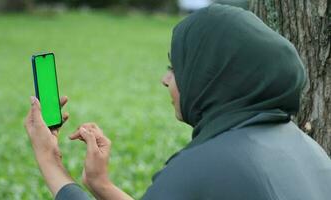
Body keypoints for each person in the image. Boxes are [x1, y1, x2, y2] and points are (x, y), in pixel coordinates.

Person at [24, 2, 331, 200]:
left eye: (177, 67)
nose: (166, 79)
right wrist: (101, 184)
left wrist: (50, 160)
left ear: (214, 76)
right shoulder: (309, 151)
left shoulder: (206, 167)